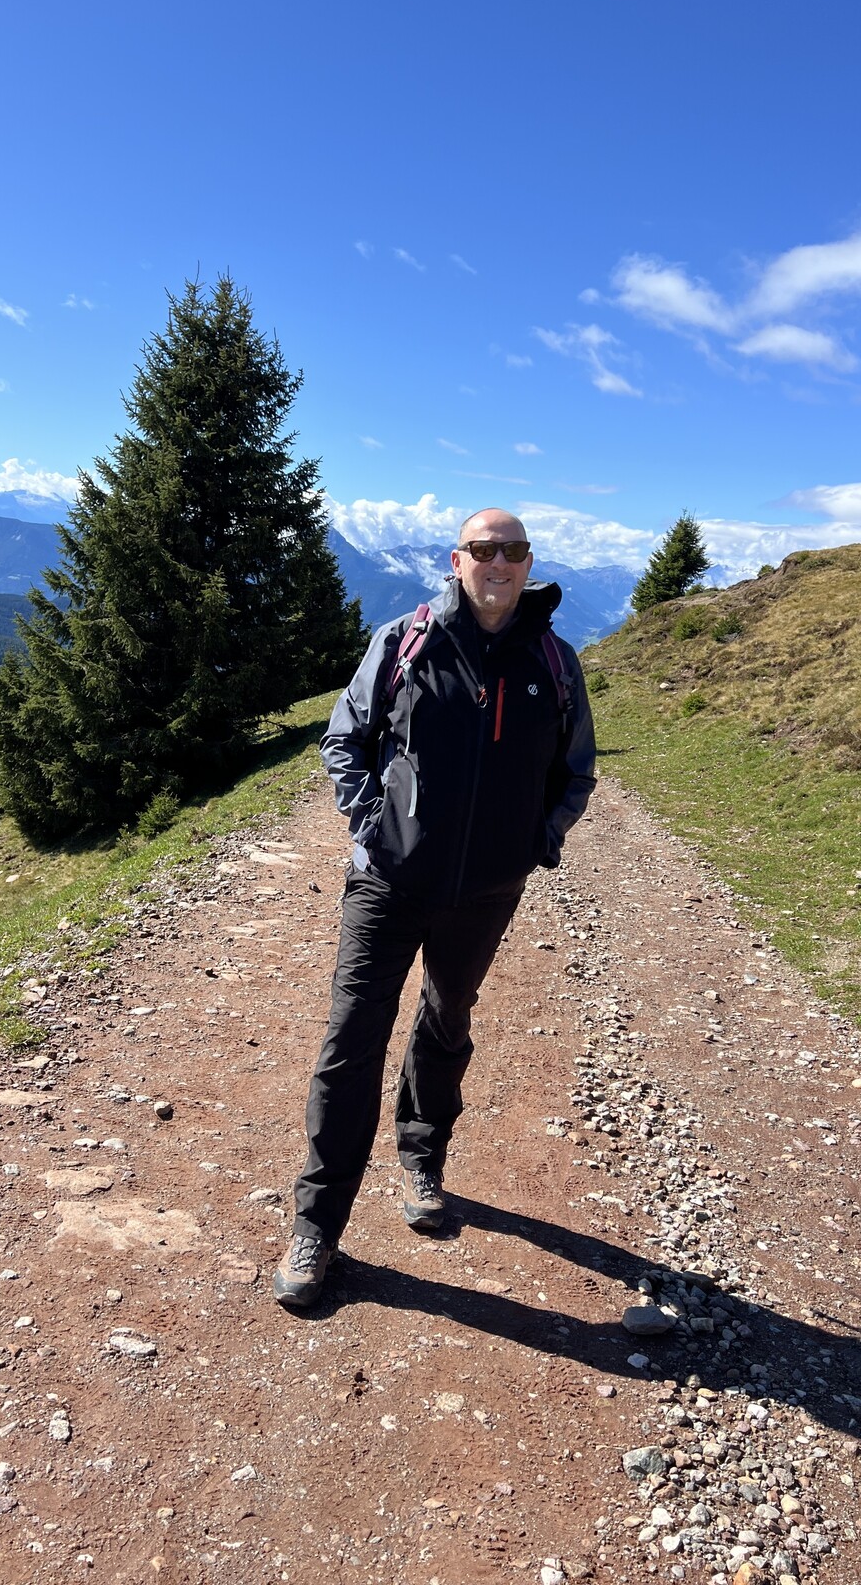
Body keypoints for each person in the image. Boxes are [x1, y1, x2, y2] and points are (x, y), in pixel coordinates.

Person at [273, 508, 596, 1307]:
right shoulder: (404, 640)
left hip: (487, 891)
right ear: (457, 560)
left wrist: (537, 842)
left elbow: (576, 770)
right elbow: (344, 738)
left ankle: (422, 1157)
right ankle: (317, 1226)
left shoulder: (553, 661)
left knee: (448, 1020)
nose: (499, 563)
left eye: (513, 551)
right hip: (388, 880)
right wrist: (368, 822)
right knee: (352, 1042)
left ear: (528, 564)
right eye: (484, 550)